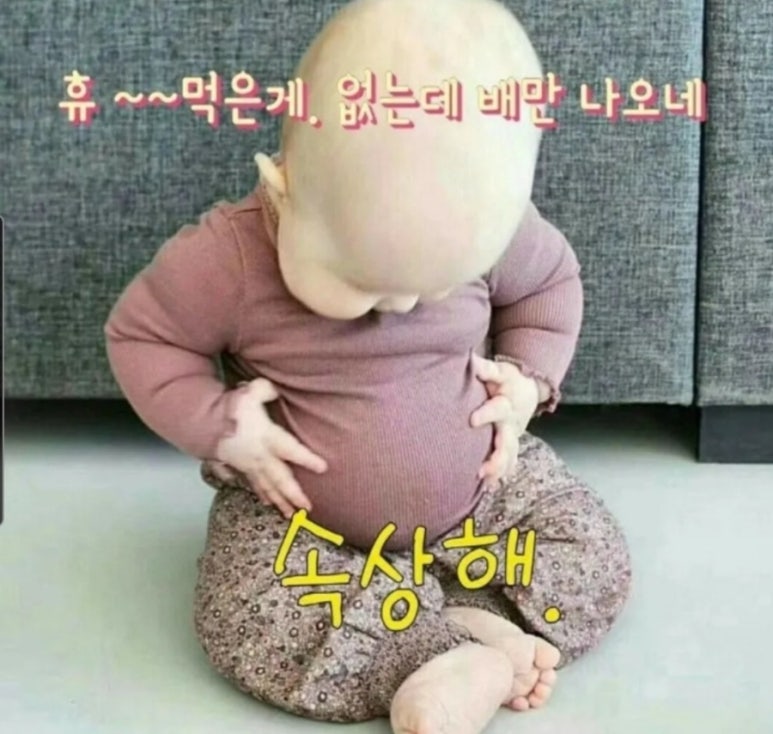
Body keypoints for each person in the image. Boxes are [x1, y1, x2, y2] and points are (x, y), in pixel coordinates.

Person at [105, 0, 632, 731]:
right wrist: (220, 426)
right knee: (246, 613)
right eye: (363, 284)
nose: (402, 304)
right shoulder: (227, 258)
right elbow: (143, 336)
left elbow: (548, 286)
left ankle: (450, 626)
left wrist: (527, 379)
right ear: (284, 187)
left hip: (480, 500)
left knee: (592, 556)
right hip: (301, 526)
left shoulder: (488, 225)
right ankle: (437, 649)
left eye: (437, 285)